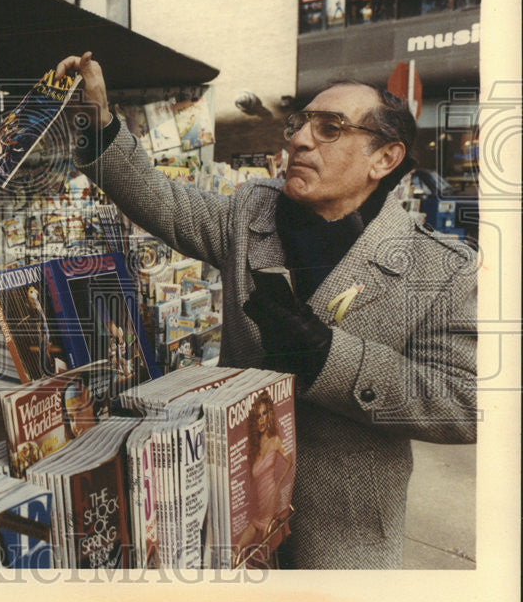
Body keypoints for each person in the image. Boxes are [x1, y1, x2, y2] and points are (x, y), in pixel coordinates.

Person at [55, 52, 477, 569]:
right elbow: (162, 200)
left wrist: (329, 358)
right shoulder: (253, 210)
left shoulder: (440, 268)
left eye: (330, 129)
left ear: (384, 159)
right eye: (301, 125)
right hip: (231, 519)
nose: (298, 139)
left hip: (343, 540)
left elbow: (464, 403)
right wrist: (99, 121)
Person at [234, 395, 294, 567]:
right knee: (258, 529)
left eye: (264, 414)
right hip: (259, 498)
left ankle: (248, 561)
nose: (261, 420)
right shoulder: (256, 445)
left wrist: (279, 484)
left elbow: (289, 460)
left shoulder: (275, 441)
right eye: (258, 416)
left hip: (270, 494)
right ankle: (240, 557)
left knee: (262, 529)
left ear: (269, 416)